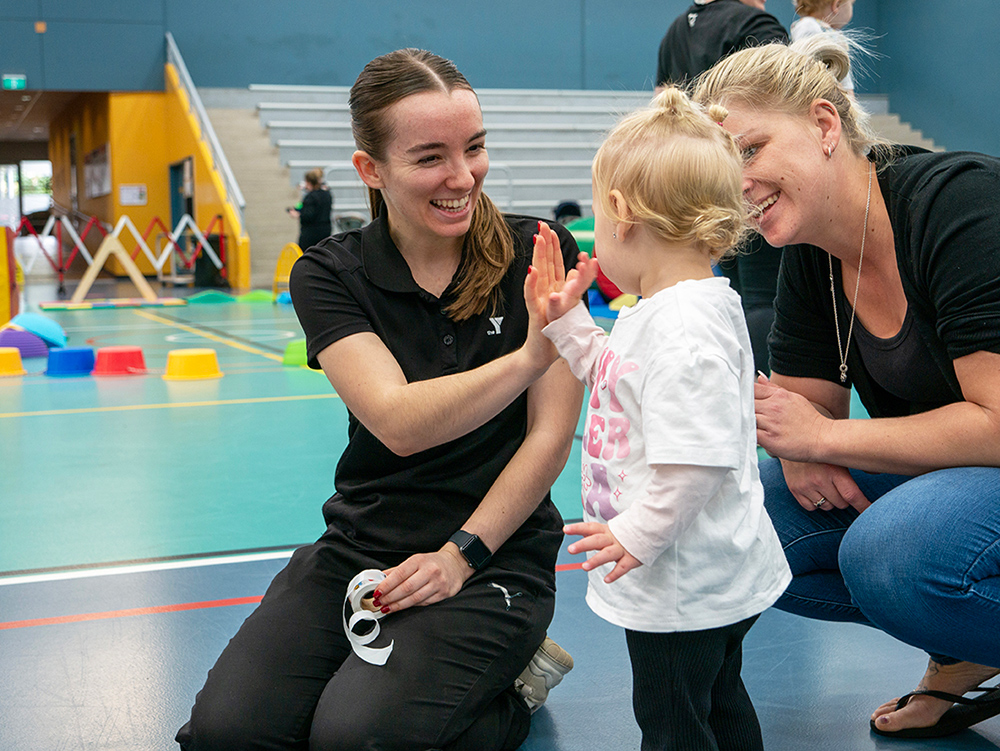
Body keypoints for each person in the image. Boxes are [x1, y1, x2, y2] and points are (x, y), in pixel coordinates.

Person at [175, 48, 584, 751]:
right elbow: (397, 422)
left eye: (475, 148)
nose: (463, 177)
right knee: (227, 734)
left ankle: (516, 684)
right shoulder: (331, 273)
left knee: (358, 738)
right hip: (361, 544)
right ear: (372, 171)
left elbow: (549, 439)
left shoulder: (536, 251)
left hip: (495, 551)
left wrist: (461, 553)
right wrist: (528, 357)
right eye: (430, 158)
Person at [694, 36, 1000, 739]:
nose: (737, 185)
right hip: (972, 475)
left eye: (749, 150)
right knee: (747, 522)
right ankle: (966, 647)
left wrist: (823, 436)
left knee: (893, 551)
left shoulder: (961, 204)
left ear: (826, 126)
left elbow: (997, 422)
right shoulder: (812, 253)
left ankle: (962, 626)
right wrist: (796, 443)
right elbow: (801, 416)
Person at [526, 87, 791, 751]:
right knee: (718, 701)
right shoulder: (674, 306)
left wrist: (635, 534)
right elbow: (618, 374)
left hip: (681, 580)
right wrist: (568, 322)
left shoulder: (684, 328)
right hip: (694, 572)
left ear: (620, 213)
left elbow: (694, 462)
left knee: (672, 720)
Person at [655, 0, 788, 373]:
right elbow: (783, 105)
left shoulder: (676, 31)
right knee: (764, 296)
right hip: (749, 179)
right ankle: (763, 404)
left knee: (732, 293)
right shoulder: (754, 23)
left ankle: (733, 387)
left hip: (705, 186)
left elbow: (662, 109)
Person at [790, 0, 856, 93]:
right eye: (851, 4)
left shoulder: (829, 30)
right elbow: (807, 61)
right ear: (836, 5)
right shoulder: (808, 25)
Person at [287, 168, 333, 249]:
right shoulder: (327, 194)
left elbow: (308, 216)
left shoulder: (310, 197)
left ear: (309, 182)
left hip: (311, 234)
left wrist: (297, 214)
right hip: (325, 231)